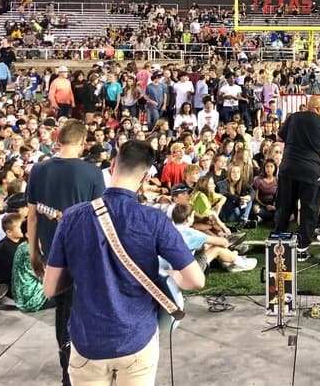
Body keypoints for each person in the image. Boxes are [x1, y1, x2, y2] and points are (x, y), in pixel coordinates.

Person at [43, 140, 205, 385]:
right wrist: (171, 276)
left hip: (88, 340)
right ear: (144, 178)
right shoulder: (154, 219)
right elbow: (196, 280)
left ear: (112, 167)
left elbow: (50, 288)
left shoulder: (72, 217)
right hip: (136, 337)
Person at [27, 119, 106, 386]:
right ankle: (80, 372)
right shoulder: (93, 173)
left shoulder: (38, 170)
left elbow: (32, 217)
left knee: (63, 313)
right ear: (83, 142)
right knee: (85, 313)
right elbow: (100, 220)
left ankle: (67, 370)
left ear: (57, 140)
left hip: (53, 255)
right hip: (85, 256)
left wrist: (33, 253)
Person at [274, 95, 320, 262]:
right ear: (318, 109)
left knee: (284, 206)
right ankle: (301, 248)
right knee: (309, 209)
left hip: (288, 169)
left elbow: (279, 137)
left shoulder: (293, 117)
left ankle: (279, 243)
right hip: (311, 172)